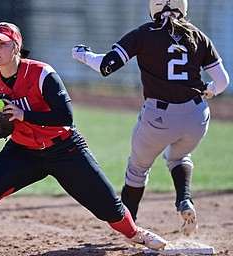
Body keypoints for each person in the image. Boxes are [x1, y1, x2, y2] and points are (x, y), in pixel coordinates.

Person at [0, 22, 167, 256]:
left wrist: (23, 114)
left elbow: (65, 117)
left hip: (65, 149)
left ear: (16, 46)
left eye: (2, 44)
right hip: (23, 151)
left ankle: (134, 233)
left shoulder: (41, 73)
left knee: (110, 208)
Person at [72, 0, 229, 236]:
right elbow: (223, 81)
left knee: (137, 169)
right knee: (179, 156)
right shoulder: (198, 35)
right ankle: (184, 199)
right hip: (198, 115)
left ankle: (130, 224)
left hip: (160, 116)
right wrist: (209, 91)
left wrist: (84, 55)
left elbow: (106, 66)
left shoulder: (144, 33)